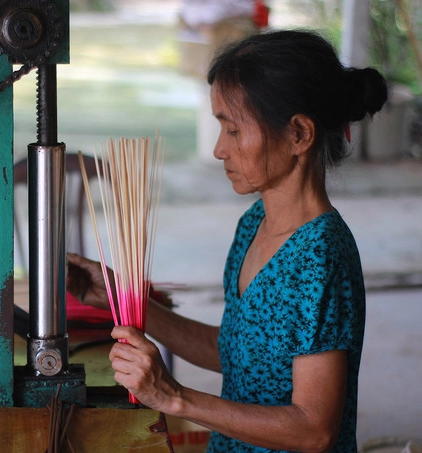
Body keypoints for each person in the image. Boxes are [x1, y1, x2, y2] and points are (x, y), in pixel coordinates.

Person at [67, 29, 388, 453]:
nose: (220, 150)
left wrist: (173, 397)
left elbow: (314, 430)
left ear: (298, 135)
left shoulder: (320, 257)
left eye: (234, 131)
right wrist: (125, 301)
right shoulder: (255, 223)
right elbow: (238, 353)